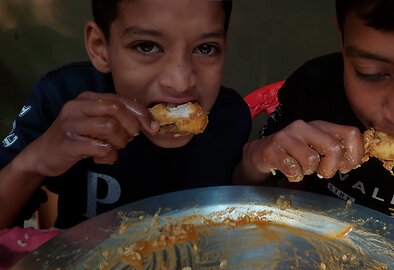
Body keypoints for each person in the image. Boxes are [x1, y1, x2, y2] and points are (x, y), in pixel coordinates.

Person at [0, 0, 251, 229]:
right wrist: (31, 164)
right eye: (147, 46)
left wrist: (253, 169)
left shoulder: (231, 118)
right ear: (100, 47)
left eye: (206, 48)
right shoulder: (62, 100)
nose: (180, 82)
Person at [234, 0, 394, 217]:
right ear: (342, 38)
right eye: (370, 73)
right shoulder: (315, 90)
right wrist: (255, 162)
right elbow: (240, 198)